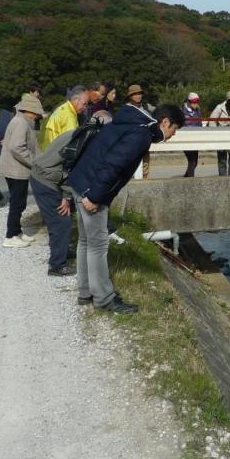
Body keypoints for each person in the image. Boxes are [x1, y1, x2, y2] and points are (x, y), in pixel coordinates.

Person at [67, 103, 185, 313]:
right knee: (98, 244)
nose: (173, 135)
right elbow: (114, 165)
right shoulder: (141, 135)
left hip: (81, 179)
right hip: (92, 188)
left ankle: (85, 292)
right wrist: (94, 196)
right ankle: (103, 298)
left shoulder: (131, 122)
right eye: (174, 130)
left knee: (85, 241)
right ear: (165, 122)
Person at [30, 110, 113, 276]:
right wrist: (67, 197)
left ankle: (61, 250)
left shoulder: (81, 132)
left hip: (45, 175)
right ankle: (56, 265)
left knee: (63, 219)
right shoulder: (87, 139)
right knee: (61, 222)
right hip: (45, 180)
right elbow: (73, 168)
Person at [0, 94, 45, 247]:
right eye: (37, 112)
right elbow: (17, 147)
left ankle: (17, 232)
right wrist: (34, 161)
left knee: (20, 202)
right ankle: (10, 236)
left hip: (17, 169)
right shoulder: (20, 122)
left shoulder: (21, 120)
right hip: (16, 170)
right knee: (17, 203)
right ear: (30, 110)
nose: (38, 115)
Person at [208, 89, 230, 176]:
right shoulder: (220, 107)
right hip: (221, 136)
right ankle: (222, 179)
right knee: (222, 160)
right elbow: (212, 121)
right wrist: (216, 133)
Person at [181, 92, 202, 177]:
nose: (196, 104)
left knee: (195, 162)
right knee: (192, 161)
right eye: (194, 102)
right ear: (189, 102)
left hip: (195, 139)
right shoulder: (182, 111)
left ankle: (186, 178)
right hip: (185, 139)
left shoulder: (198, 111)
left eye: (197, 102)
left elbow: (199, 124)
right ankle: (190, 182)